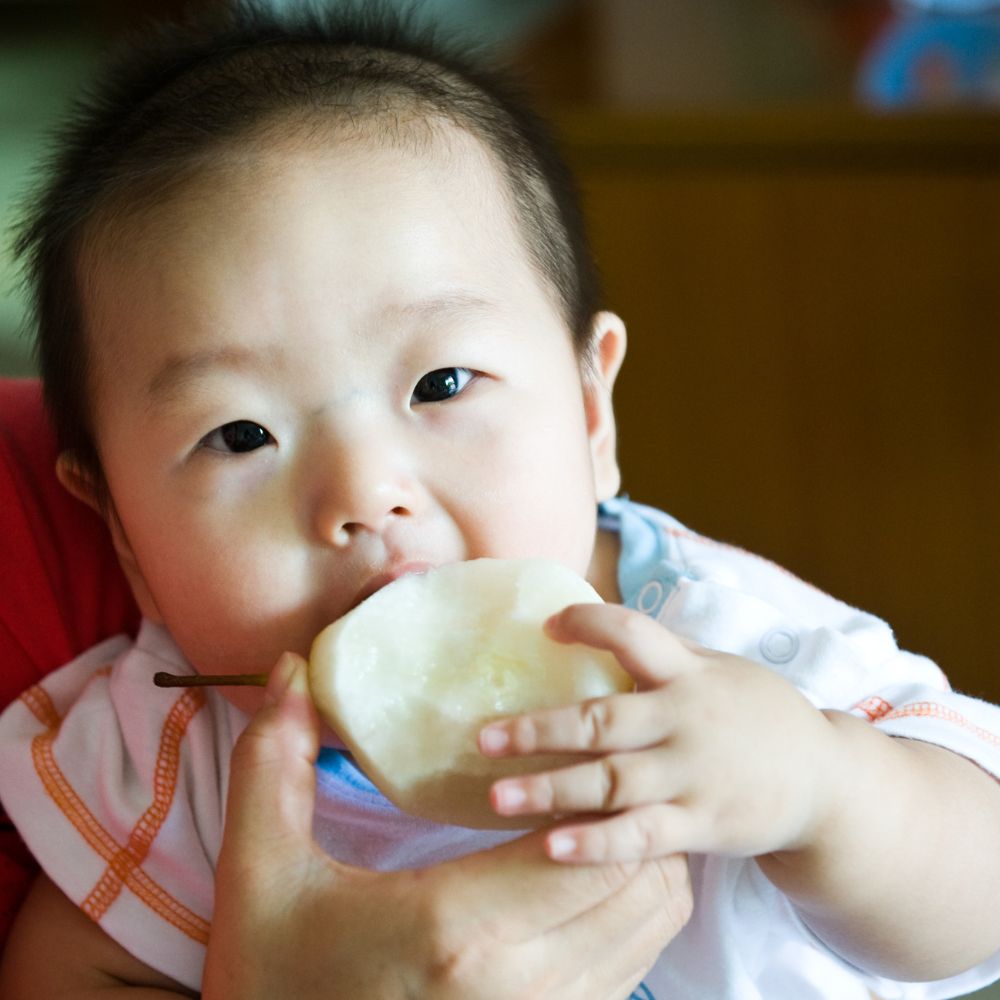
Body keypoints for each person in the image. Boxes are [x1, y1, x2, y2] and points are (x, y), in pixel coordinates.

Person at [0, 4, 998, 998]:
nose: (364, 495)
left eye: (441, 385)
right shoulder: (182, 759)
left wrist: (822, 790)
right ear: (123, 535)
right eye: (240, 435)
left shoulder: (723, 650)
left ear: (590, 409)